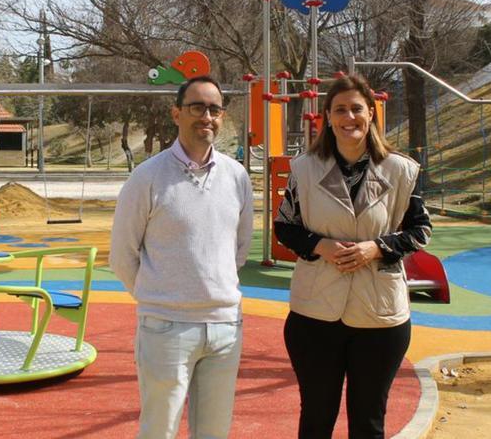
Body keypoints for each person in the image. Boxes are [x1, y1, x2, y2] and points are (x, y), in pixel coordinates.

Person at [273, 74, 432, 439]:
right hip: (315, 312)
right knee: (316, 416)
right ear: (327, 116)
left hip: (379, 317)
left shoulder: (401, 171)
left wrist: (376, 248)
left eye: (357, 109)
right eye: (340, 109)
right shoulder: (305, 169)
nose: (349, 117)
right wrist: (319, 245)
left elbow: (420, 230)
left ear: (371, 114)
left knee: (368, 421)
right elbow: (285, 226)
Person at [110, 75, 254, 439]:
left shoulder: (237, 177)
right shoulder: (147, 177)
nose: (206, 116)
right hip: (166, 327)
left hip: (225, 327)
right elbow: (122, 255)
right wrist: (161, 296)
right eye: (196, 107)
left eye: (214, 109)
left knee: (214, 433)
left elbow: (238, 248)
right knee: (160, 430)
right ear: (176, 113)